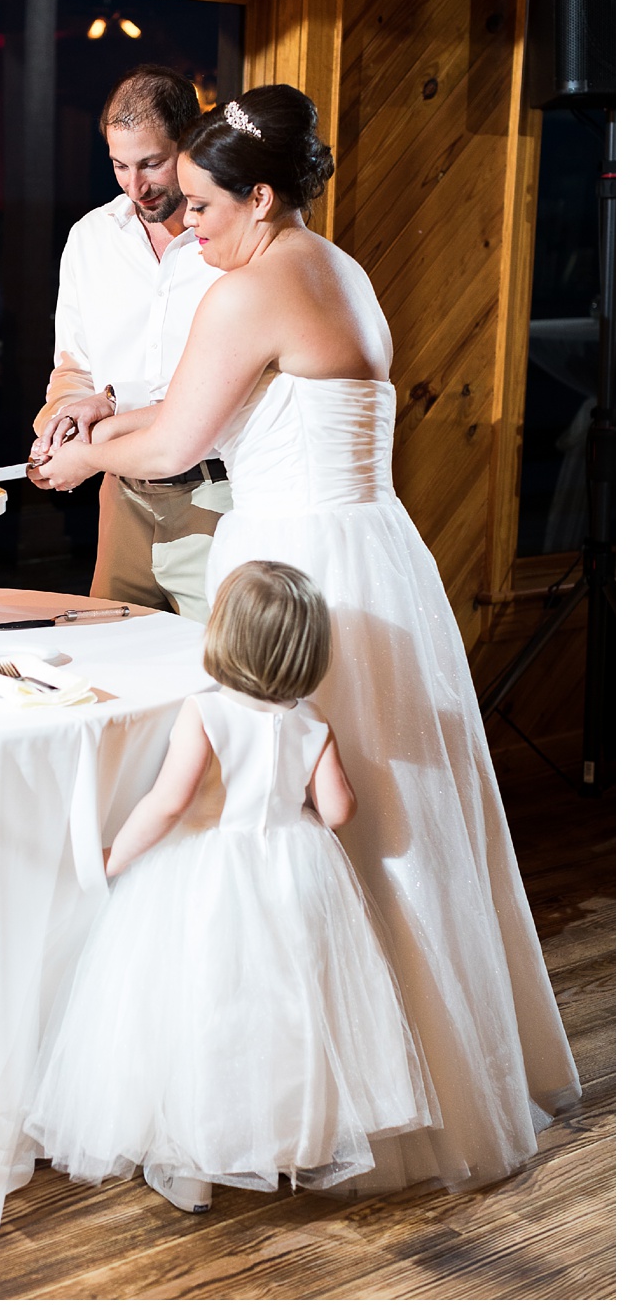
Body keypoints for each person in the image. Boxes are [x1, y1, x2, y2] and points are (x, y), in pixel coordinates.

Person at [34, 85, 580, 1195]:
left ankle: (299, 1094)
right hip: (372, 552)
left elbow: (184, 437)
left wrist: (83, 458)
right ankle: (423, 1066)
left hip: (289, 562)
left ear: (260, 196)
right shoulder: (332, 269)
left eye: (196, 206)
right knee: (387, 817)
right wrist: (102, 421)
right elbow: (213, 412)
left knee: (270, 817)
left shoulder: (248, 292)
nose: (184, 227)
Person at [25, 562, 436, 1213]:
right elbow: (337, 810)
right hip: (294, 877)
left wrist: (115, 855)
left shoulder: (206, 711)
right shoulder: (310, 721)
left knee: (206, 1012)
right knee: (287, 1014)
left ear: (224, 636)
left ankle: (193, 1166)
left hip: (209, 876)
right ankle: (284, 1141)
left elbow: (167, 802)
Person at [27, 64, 227, 620]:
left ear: (190, 142)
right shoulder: (90, 238)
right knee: (114, 658)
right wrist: (65, 421)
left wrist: (96, 441)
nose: (135, 187)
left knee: (220, 678)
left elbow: (229, 394)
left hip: (218, 498)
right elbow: (74, 368)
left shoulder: (233, 244)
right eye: (119, 165)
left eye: (151, 164)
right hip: (121, 500)